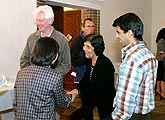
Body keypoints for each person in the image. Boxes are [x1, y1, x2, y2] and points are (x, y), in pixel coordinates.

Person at [13, 37, 77, 120]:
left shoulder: (21, 73)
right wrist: (73, 94)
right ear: (55, 56)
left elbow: (16, 103)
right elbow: (63, 103)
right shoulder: (55, 76)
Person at [111, 12, 158, 120]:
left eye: (118, 32)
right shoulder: (149, 54)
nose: (116, 36)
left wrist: (117, 117)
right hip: (145, 115)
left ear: (129, 33)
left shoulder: (132, 59)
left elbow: (126, 100)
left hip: (132, 116)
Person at [68, 34, 116, 120]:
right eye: (84, 45)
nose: (84, 49)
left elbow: (98, 89)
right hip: (91, 98)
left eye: (88, 47)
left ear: (96, 49)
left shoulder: (105, 65)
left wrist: (78, 93)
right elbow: (85, 79)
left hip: (105, 103)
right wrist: (76, 89)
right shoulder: (90, 61)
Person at [20, 5, 71, 76]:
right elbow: (24, 60)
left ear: (50, 21)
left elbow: (66, 64)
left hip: (52, 82)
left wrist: (48, 75)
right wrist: (31, 74)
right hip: (32, 80)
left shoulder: (61, 39)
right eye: (36, 20)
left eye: (40, 20)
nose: (38, 23)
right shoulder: (32, 38)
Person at [70, 18, 95, 83]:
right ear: (83, 28)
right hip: (80, 77)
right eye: (88, 26)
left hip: (92, 77)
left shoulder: (95, 41)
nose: (91, 28)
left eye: (93, 26)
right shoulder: (77, 42)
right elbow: (73, 60)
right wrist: (87, 59)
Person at [155, 28, 165, 99]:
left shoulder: (161, 41)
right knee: (160, 75)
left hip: (161, 60)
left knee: (160, 75)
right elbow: (161, 53)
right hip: (161, 60)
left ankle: (158, 90)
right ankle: (159, 90)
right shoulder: (161, 41)